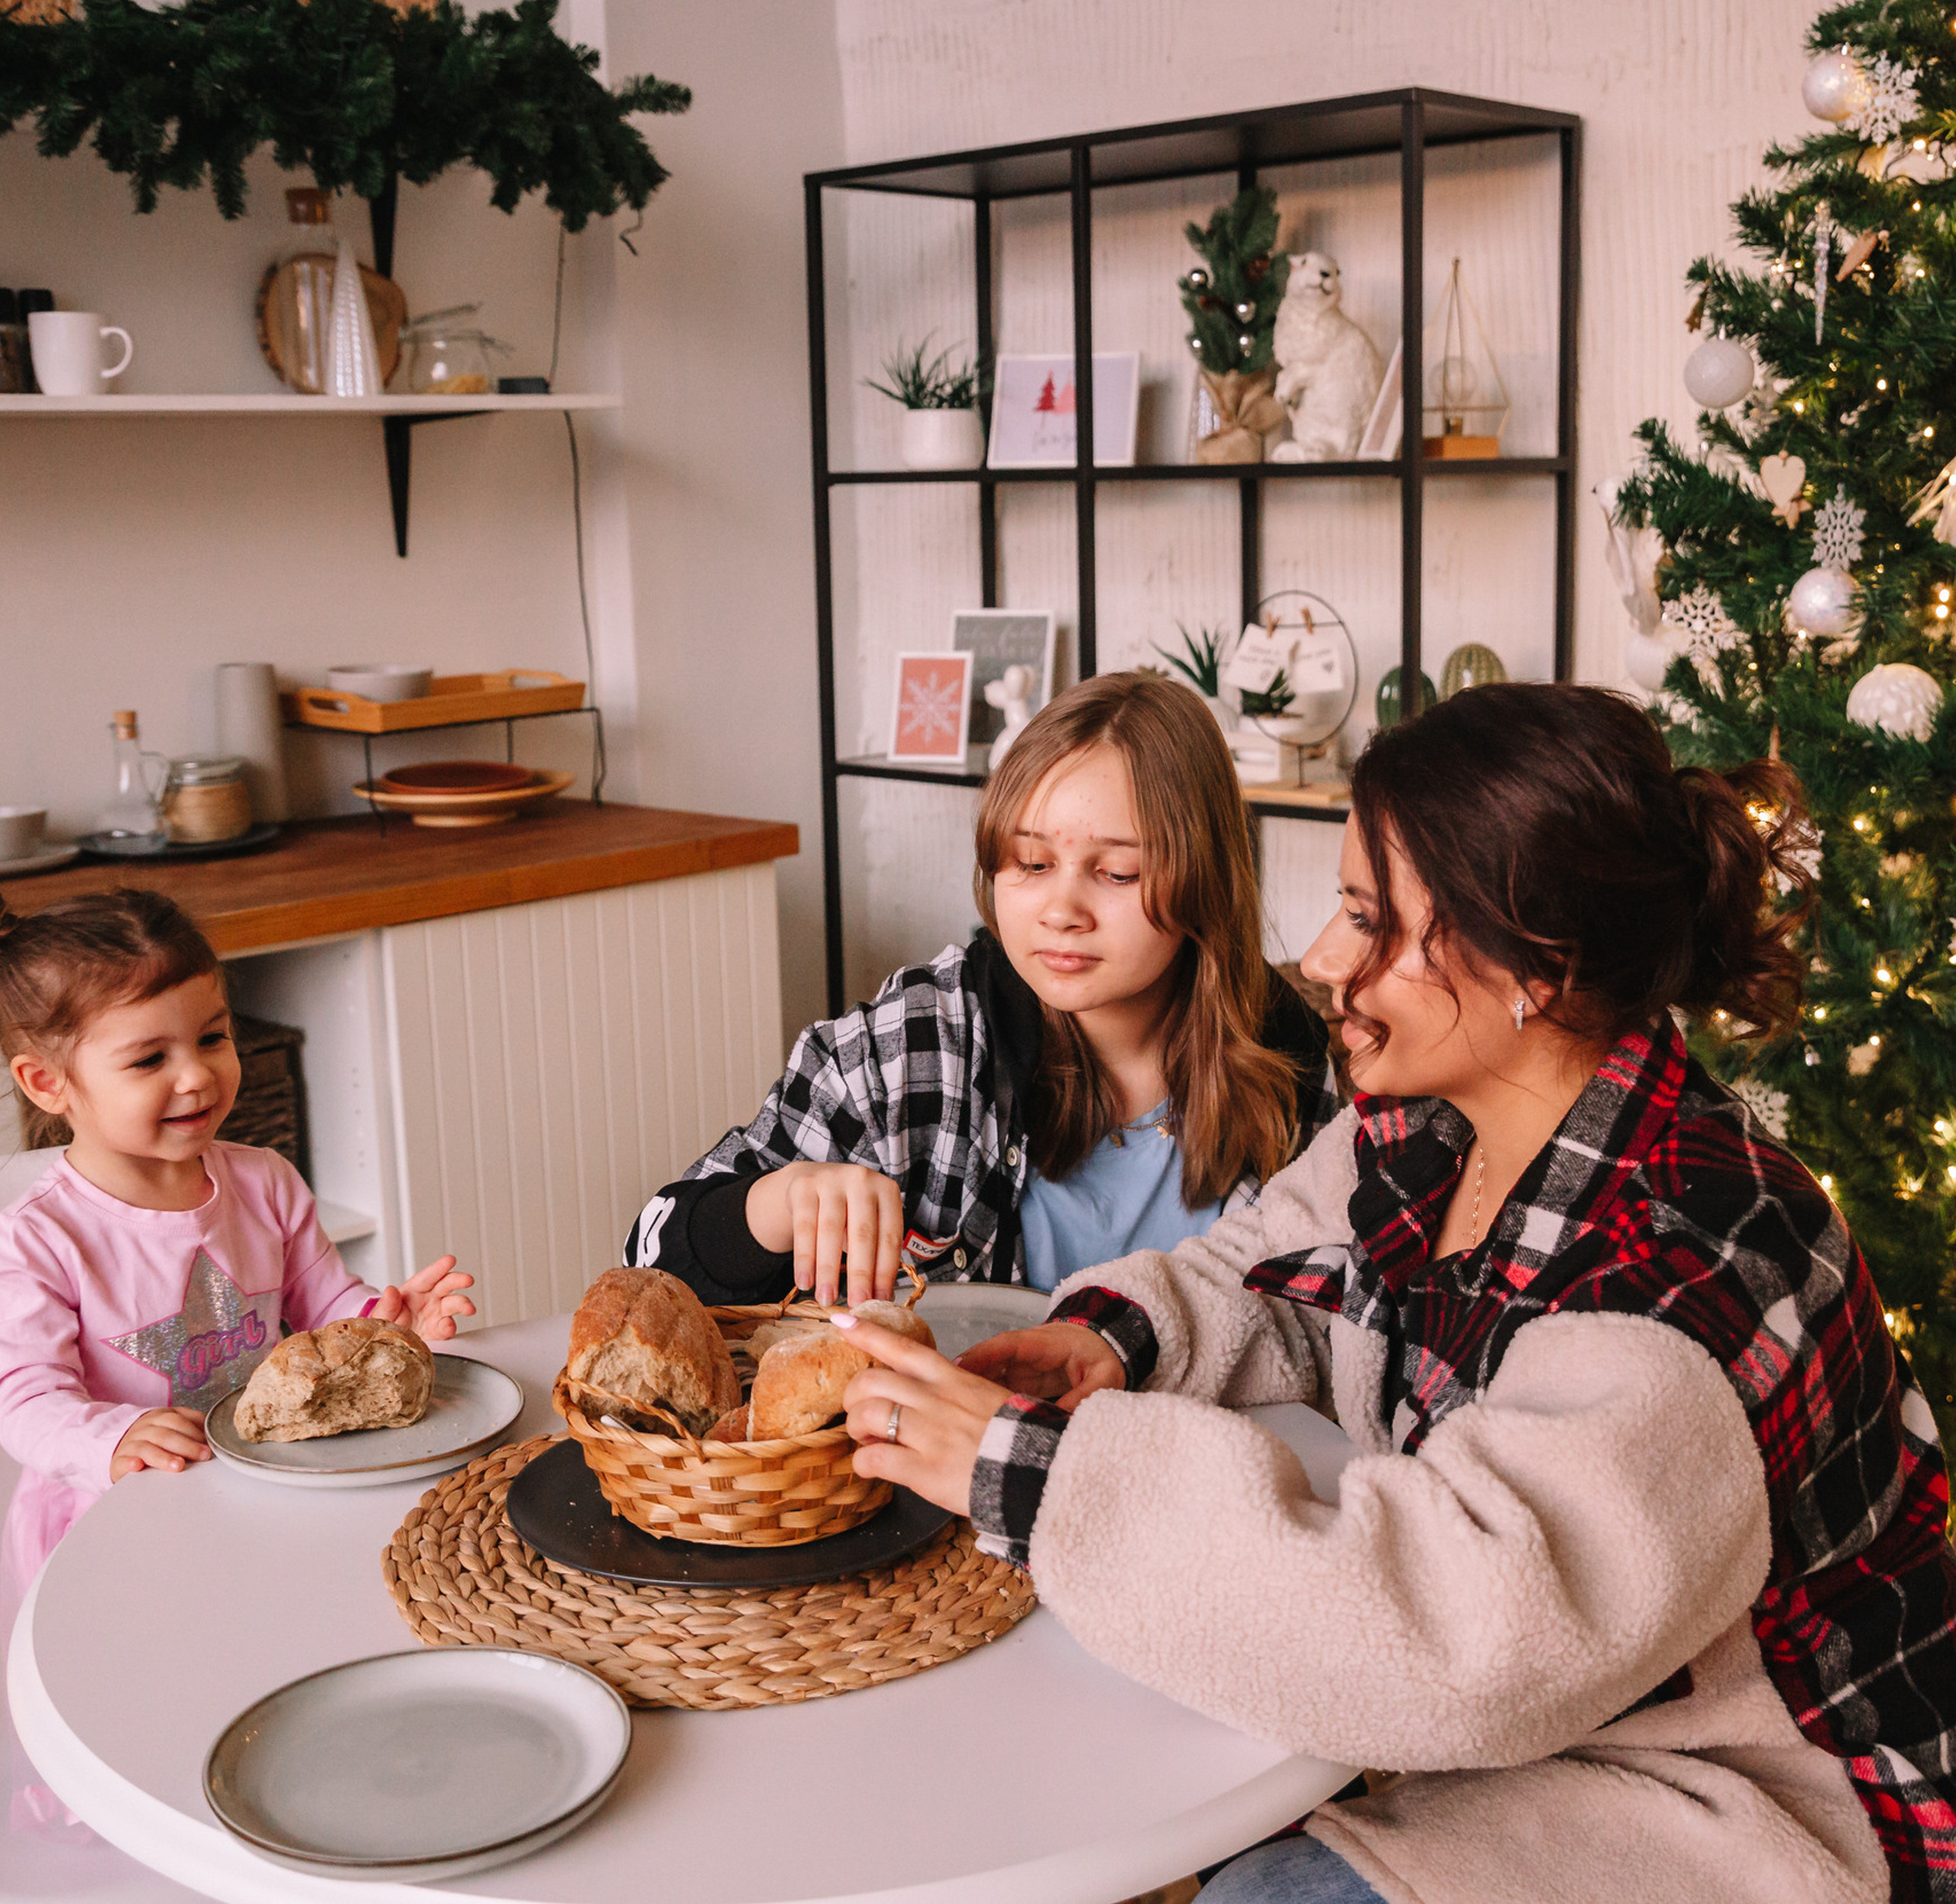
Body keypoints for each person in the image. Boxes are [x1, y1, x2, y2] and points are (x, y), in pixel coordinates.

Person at [828, 682, 1954, 1904]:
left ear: (1538, 964)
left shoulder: (1680, 1288)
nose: (1320, 962)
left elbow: (1459, 1637)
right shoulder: (1429, 1126)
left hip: (1737, 1803)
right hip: (1554, 1733)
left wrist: (1034, 1477)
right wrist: (1112, 1339)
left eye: (1370, 919)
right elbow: (1264, 1266)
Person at [623, 669, 1338, 1308]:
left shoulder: (1288, 1062)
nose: (1061, 911)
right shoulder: (911, 1047)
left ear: (1205, 881)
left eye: (1117, 873)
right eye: (1030, 863)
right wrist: (779, 1202)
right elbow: (651, 1258)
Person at [0, 889, 475, 1681]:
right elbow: (24, 1401)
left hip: (256, 1486)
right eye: (149, 1059)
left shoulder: (265, 1181)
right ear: (48, 1084)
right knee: (144, 1684)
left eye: (212, 1037)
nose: (196, 1076)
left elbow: (324, 1305)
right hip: (117, 1523)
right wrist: (113, 1438)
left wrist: (385, 1323)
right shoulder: (40, 1236)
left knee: (257, 1658)